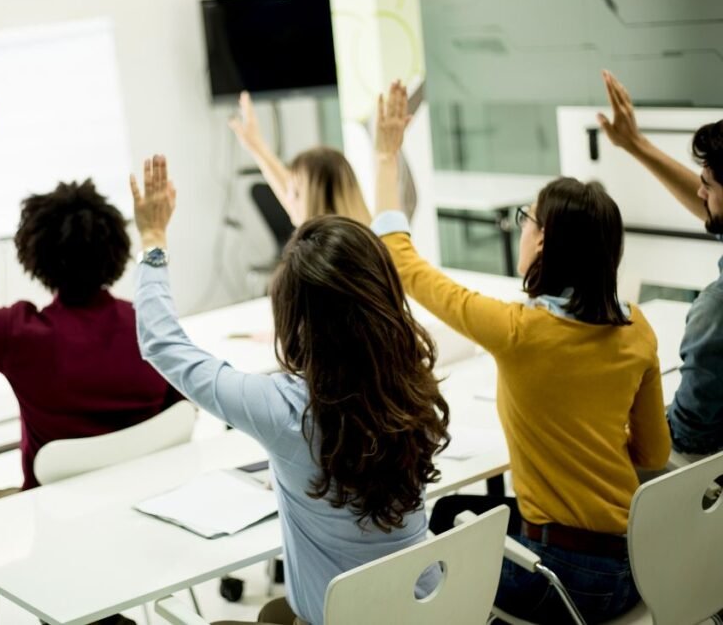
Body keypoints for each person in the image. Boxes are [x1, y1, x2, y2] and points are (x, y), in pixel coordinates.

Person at [372, 81, 671, 623]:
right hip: (637, 566)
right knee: (463, 512)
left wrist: (385, 156)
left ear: (546, 241)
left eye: (526, 220)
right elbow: (652, 455)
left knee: (438, 532)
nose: (522, 230)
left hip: (561, 582)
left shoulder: (518, 331)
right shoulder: (637, 327)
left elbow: (404, 263)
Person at [130, 155, 449, 625]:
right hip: (426, 612)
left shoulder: (285, 411)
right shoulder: (414, 383)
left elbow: (162, 343)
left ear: (295, 319)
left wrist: (153, 241)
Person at [0, 134, 180, 498]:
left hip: (54, 518)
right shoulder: (152, 325)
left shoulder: (20, 335)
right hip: (147, 508)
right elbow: (179, 413)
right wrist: (155, 233)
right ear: (118, 248)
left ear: (34, 256)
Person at [598, 70, 723, 459]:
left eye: (709, 184)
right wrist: (635, 144)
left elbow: (688, 434)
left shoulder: (715, 310)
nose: (700, 192)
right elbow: (708, 205)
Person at [228, 91, 371, 225]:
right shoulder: (365, 237)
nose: (287, 199)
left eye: (296, 194)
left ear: (321, 206)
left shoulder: (320, 249)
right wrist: (256, 147)